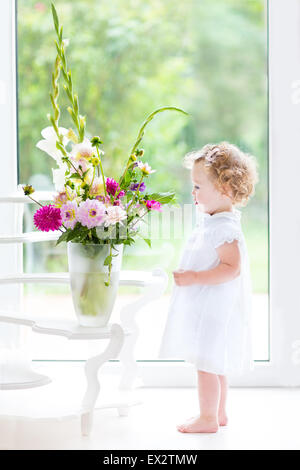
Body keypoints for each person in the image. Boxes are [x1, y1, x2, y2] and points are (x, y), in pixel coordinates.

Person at [158, 142, 259, 433]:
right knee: (215, 362)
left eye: (199, 187)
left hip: (216, 308)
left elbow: (231, 268)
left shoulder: (224, 227)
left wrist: (193, 277)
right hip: (212, 306)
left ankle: (207, 418)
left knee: (206, 363)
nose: (194, 193)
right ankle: (219, 412)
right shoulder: (215, 220)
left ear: (225, 190)